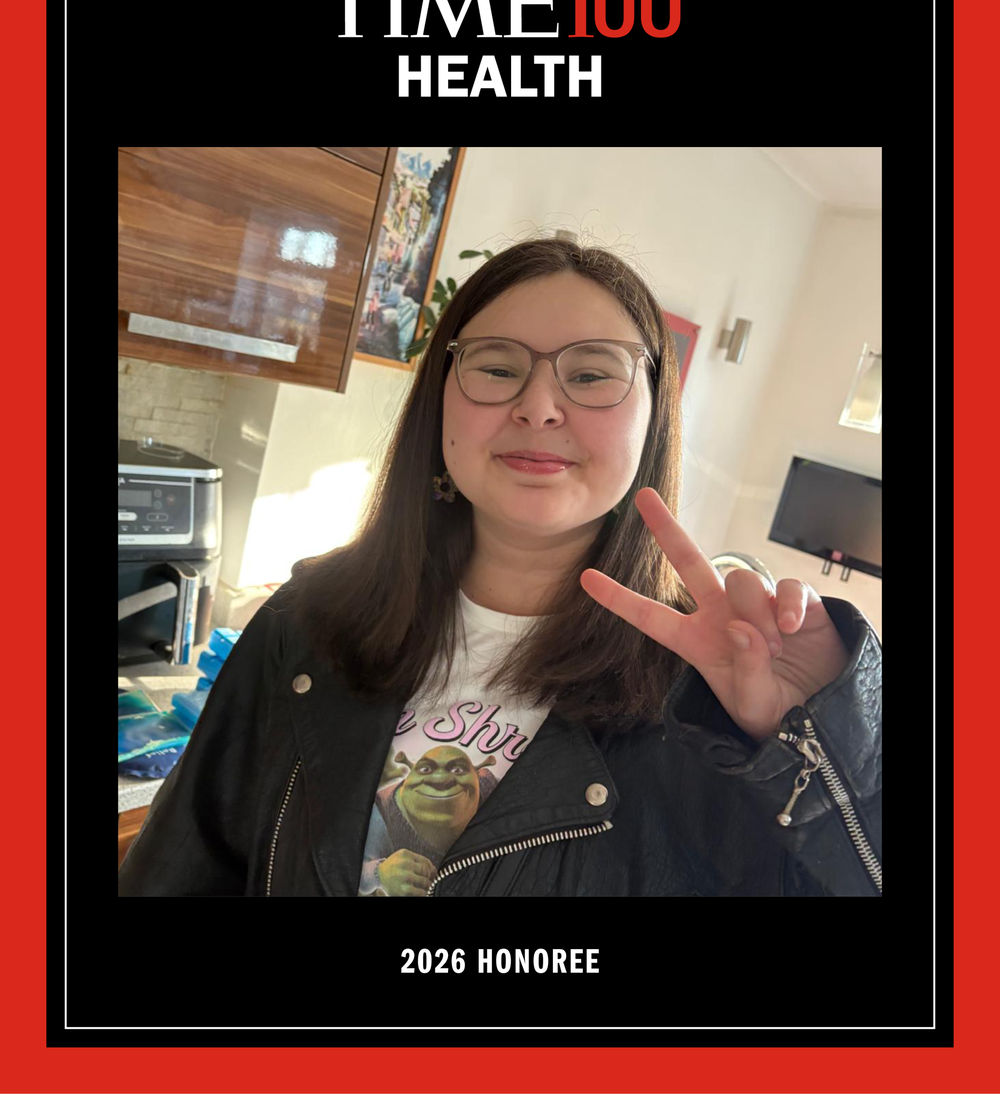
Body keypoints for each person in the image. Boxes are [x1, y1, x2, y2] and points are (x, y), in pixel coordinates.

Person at [119, 237, 882, 897]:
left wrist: (826, 743)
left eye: (590, 375)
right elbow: (180, 872)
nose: (539, 406)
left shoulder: (713, 700)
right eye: (495, 366)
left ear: (654, 420)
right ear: (441, 403)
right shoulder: (307, 620)